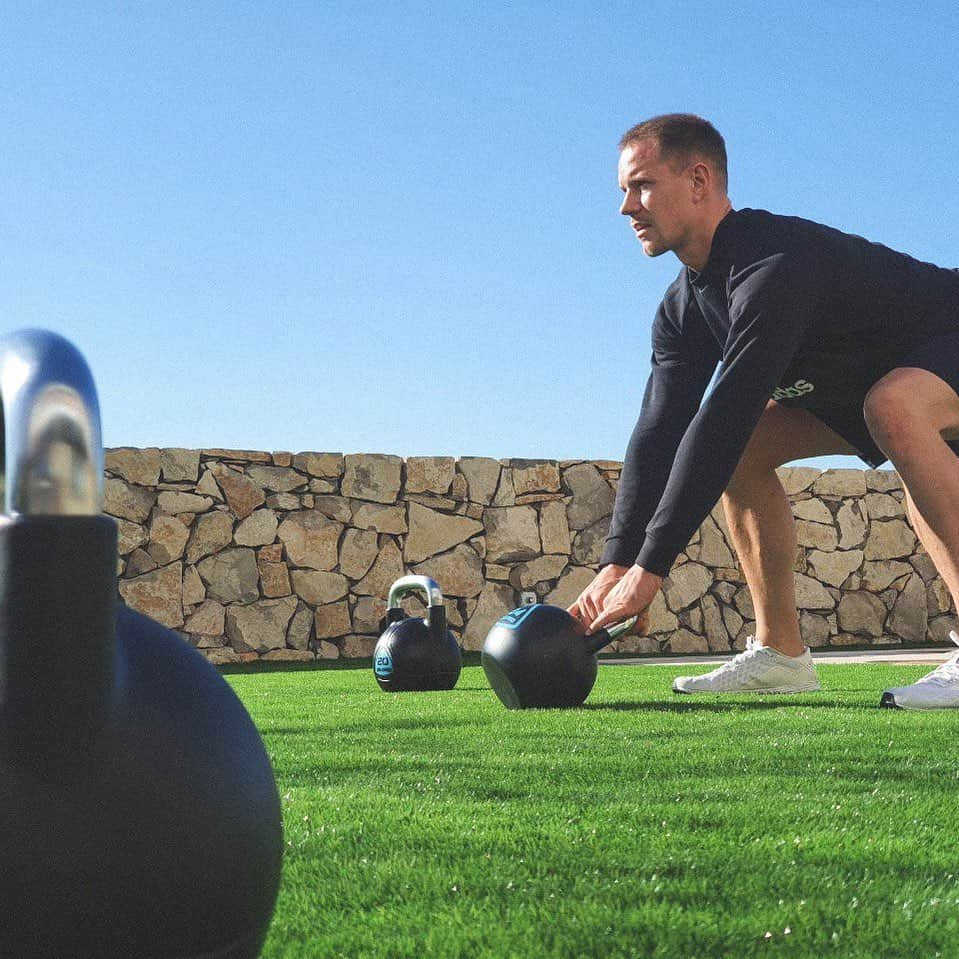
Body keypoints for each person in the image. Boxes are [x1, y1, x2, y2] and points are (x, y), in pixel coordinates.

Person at [568, 113, 959, 709]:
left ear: (698, 180)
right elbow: (661, 429)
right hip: (875, 389)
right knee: (749, 446)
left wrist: (653, 569)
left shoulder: (772, 263)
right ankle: (781, 655)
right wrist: (617, 562)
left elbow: (726, 407)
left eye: (641, 185)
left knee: (894, 406)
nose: (627, 207)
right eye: (623, 190)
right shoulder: (683, 308)